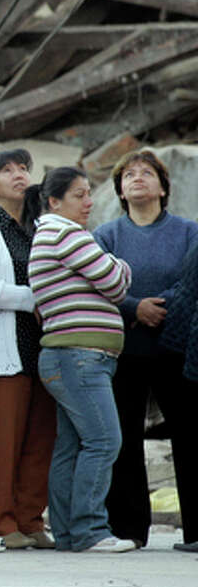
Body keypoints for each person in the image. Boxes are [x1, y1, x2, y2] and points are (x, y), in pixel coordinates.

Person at [93, 150, 198, 550]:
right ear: (120, 189)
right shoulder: (107, 235)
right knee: (123, 436)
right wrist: (134, 306)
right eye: (129, 174)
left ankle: (196, 532)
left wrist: (159, 306)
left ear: (163, 186)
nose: (138, 178)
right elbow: (97, 281)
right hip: (125, 347)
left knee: (189, 436)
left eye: (147, 173)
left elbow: (192, 280)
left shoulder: (189, 231)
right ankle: (128, 529)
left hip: (176, 348)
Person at [30, 167, 134, 553]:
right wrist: (122, 265)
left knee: (72, 446)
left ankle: (70, 533)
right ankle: (91, 530)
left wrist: (111, 267)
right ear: (55, 201)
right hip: (79, 357)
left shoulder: (51, 234)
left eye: (89, 194)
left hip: (70, 357)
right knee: (105, 440)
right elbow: (114, 282)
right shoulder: (65, 232)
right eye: (79, 195)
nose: (89, 202)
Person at [0, 150, 54, 549]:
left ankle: (31, 519)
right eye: (7, 170)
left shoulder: (43, 226)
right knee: (4, 440)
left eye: (24, 167)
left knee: (41, 437)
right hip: (8, 346)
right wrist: (33, 299)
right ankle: (2, 524)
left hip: (47, 345)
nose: (18, 175)